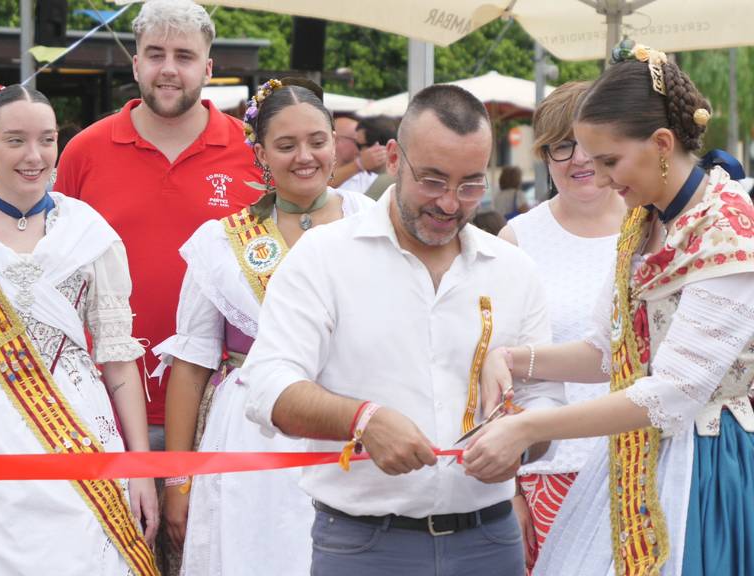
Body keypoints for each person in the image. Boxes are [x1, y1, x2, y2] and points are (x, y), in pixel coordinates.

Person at [241, 84, 564, 576]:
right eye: (432, 181)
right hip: (365, 544)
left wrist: (519, 437)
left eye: (471, 185)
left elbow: (546, 400)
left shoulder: (514, 269)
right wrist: (363, 420)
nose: (451, 204)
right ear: (393, 158)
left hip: (489, 542)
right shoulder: (324, 257)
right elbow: (267, 387)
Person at [465, 43, 754, 576]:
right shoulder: (643, 222)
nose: (598, 178)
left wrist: (528, 430)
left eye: (609, 161)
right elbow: (610, 352)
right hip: (633, 454)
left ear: (662, 144)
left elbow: (675, 391)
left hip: (709, 461)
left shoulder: (727, 226)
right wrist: (511, 357)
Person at [155, 78, 374, 575]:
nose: (305, 156)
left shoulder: (373, 223)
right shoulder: (221, 243)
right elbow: (190, 366)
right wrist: (178, 480)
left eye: (318, 141)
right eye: (286, 145)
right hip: (251, 431)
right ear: (259, 153)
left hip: (349, 419)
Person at [55, 0, 262, 454]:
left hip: (221, 404)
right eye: (155, 54)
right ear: (135, 63)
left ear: (208, 68)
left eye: (184, 57)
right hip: (104, 403)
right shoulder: (84, 152)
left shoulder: (251, 156)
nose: (168, 69)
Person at [0, 85, 158, 574]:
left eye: (47, 138)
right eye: (16, 140)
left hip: (80, 427)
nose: (35, 155)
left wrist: (139, 465)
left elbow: (119, 357)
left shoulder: (88, 231)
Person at [499, 81, 625, 571]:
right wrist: (507, 489)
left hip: (641, 462)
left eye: (592, 145)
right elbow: (489, 370)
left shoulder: (653, 228)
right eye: (561, 146)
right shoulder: (517, 238)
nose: (579, 160)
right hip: (551, 469)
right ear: (544, 156)